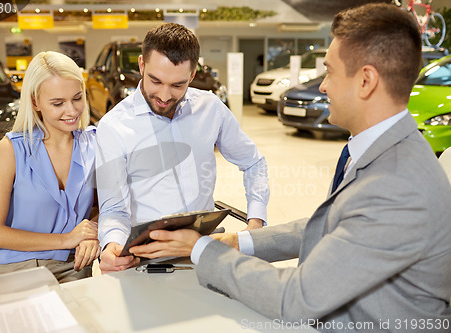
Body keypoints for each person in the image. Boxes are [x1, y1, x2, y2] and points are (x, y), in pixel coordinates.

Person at [130, 3, 451, 330]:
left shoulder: (397, 184)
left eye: (329, 71)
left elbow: (297, 300)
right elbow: (333, 226)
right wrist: (238, 242)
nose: (323, 86)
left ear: (366, 81)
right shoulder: (385, 149)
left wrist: (199, 248)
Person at [96, 23, 269, 273]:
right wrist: (112, 244)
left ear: (192, 74)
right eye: (155, 81)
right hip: (146, 259)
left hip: (204, 249)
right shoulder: (113, 127)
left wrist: (256, 223)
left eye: (177, 85)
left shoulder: (210, 108)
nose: (165, 95)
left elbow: (253, 162)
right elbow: (114, 208)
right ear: (142, 66)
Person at [0, 51, 100, 283]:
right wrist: (67, 240)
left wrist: (92, 232)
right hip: (15, 269)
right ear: (35, 102)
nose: (72, 111)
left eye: (77, 98)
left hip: (74, 268)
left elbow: (107, 207)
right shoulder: (11, 149)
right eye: (58, 103)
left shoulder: (95, 144)